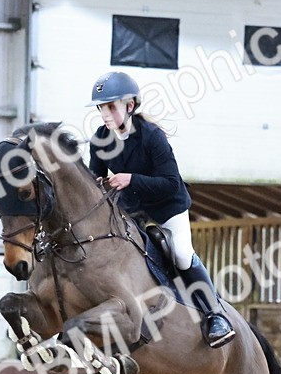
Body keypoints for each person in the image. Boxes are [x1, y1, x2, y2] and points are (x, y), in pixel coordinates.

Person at [85, 71, 235, 348]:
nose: (104, 114)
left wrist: (130, 179)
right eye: (101, 108)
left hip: (168, 207)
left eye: (110, 107)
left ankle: (215, 315)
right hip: (133, 210)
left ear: (129, 106)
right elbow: (95, 178)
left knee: (180, 254)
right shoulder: (99, 140)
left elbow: (170, 182)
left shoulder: (152, 136)